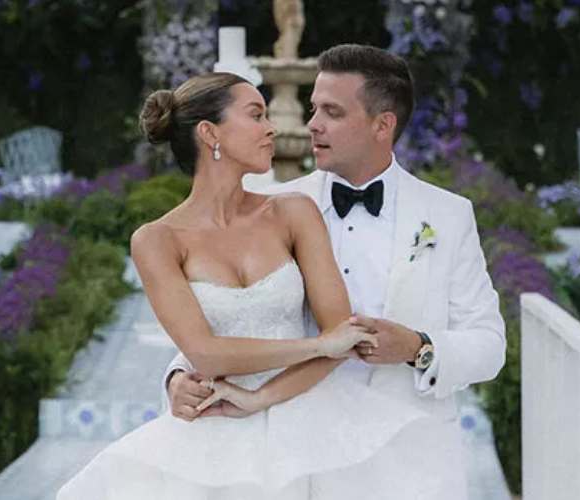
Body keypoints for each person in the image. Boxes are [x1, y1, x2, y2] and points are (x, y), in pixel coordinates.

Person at [57, 71, 434, 500]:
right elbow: (204, 352)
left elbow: (342, 336)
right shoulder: (156, 240)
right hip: (213, 430)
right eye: (256, 114)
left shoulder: (294, 212)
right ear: (209, 133)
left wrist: (262, 397)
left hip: (308, 423)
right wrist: (317, 346)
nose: (271, 127)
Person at [164, 44, 507, 499]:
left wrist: (419, 348)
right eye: (313, 109)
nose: (312, 125)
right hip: (301, 457)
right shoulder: (275, 209)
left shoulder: (447, 215)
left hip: (412, 462)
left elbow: (488, 343)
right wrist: (177, 377)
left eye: (332, 112)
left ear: (382, 125)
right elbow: (229, 314)